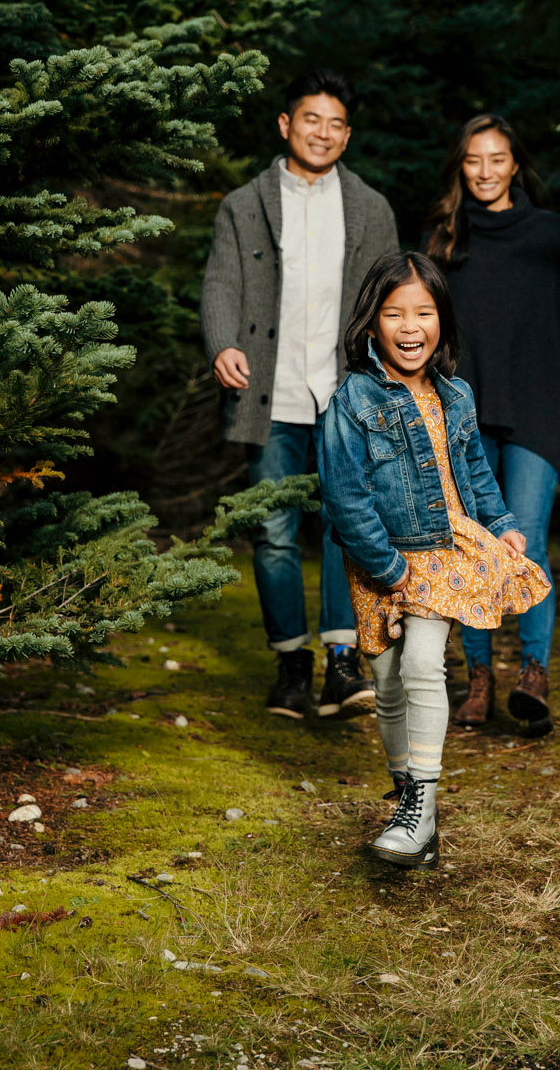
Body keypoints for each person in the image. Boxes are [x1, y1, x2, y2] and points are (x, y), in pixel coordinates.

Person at [317, 251, 550, 867]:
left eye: (424, 312)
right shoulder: (353, 400)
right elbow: (346, 497)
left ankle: (420, 804)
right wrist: (387, 568)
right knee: (389, 682)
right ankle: (409, 801)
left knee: (423, 663)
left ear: (442, 320)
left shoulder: (456, 394)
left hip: (445, 552)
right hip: (381, 560)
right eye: (394, 313)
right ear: (371, 324)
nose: (410, 326)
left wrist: (500, 525)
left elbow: (474, 468)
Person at [202, 69, 400, 720]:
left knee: (347, 529)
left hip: (344, 396)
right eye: (310, 119)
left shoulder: (371, 208)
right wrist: (223, 344)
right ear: (286, 125)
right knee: (275, 534)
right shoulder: (245, 203)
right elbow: (221, 285)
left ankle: (343, 663)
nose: (323, 132)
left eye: (336, 123)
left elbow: (389, 300)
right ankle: (292, 664)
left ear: (348, 134)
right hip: (273, 395)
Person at [422, 115, 560, 734]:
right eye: (473, 160)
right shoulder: (444, 239)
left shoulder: (548, 234)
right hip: (465, 414)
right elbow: (422, 325)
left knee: (526, 538)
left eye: (497, 159)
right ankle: (479, 678)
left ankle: (533, 675)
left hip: (538, 409)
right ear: (462, 166)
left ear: (515, 164)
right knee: (475, 545)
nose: (485, 172)